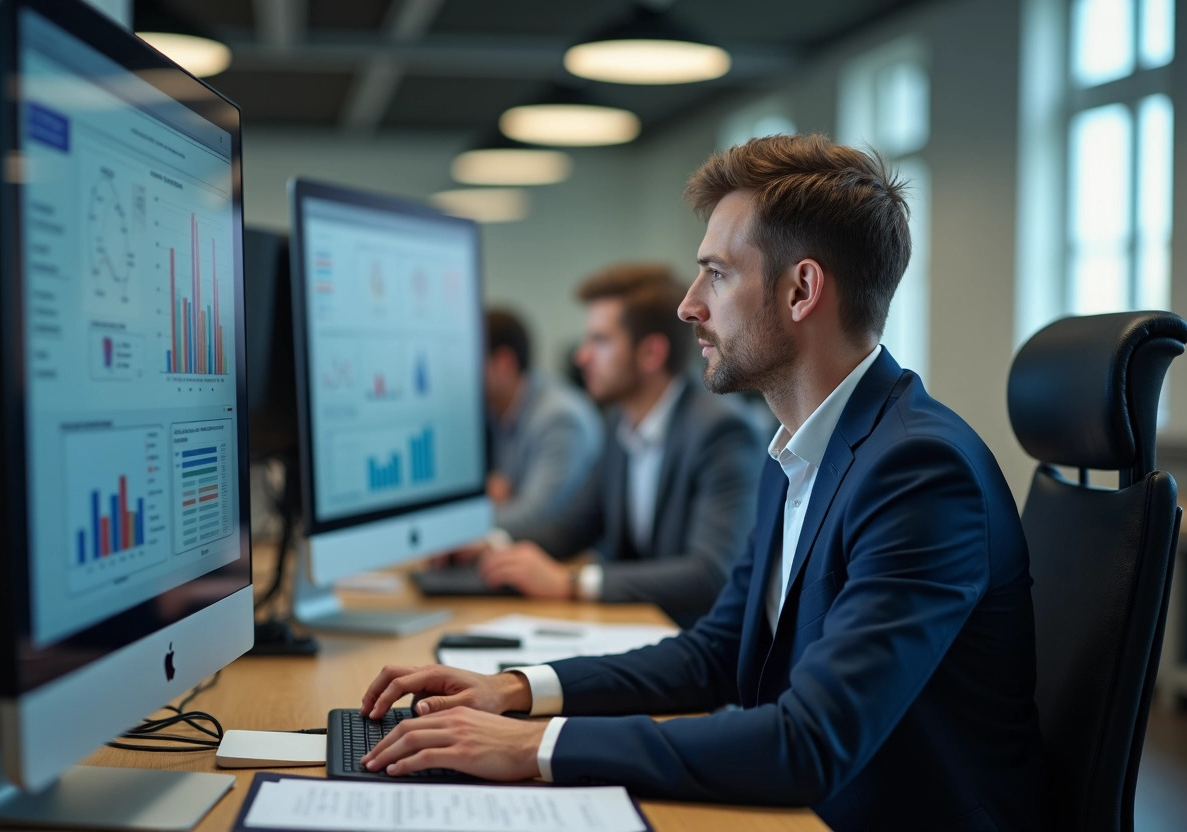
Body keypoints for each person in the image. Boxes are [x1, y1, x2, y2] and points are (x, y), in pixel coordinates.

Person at [357, 135, 1046, 831]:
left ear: (801, 289)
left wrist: (534, 746)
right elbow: (715, 651)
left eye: (715, 274)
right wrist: (518, 692)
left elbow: (810, 742)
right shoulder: (802, 450)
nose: (689, 306)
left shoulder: (918, 472)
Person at [478, 265, 764, 627]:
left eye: (599, 341)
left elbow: (710, 573)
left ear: (650, 354)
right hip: (641, 629)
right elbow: (574, 526)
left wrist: (572, 583)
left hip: (700, 648)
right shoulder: (620, 423)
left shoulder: (721, 431)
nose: (582, 357)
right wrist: (493, 544)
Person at [482, 308, 602, 539]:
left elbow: (536, 517)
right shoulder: (494, 412)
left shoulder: (560, 418)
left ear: (503, 364)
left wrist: (458, 522)